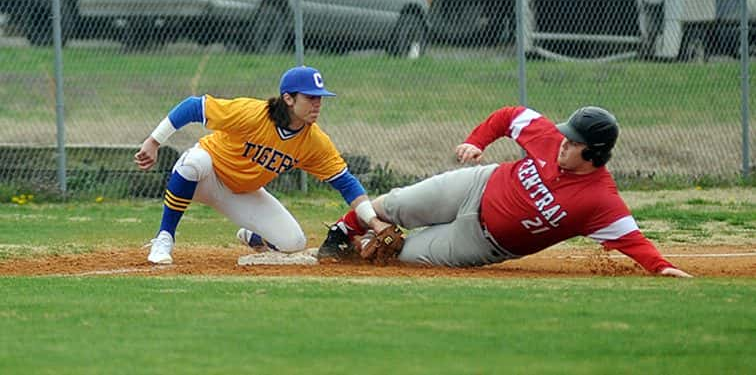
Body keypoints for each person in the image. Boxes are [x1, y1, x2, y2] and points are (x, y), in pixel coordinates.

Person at [317, 105, 693, 278]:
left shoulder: (600, 200)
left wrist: (663, 268)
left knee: (402, 257)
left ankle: (359, 247)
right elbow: (509, 116)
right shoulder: (551, 138)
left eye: (574, 142)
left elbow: (632, 239)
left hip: (482, 243)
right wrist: (476, 142)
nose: (563, 143)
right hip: (478, 185)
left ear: (593, 153)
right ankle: (342, 231)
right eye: (566, 135)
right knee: (398, 203)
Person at [134, 66, 385, 264]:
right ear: (288, 98)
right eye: (310, 97)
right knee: (193, 162)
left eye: (320, 98)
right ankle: (164, 238)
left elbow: (346, 183)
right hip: (207, 176)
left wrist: (373, 222)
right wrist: (154, 141)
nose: (317, 104)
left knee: (293, 243)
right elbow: (192, 106)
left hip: (242, 193)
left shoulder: (314, 141)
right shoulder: (253, 114)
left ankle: (252, 236)